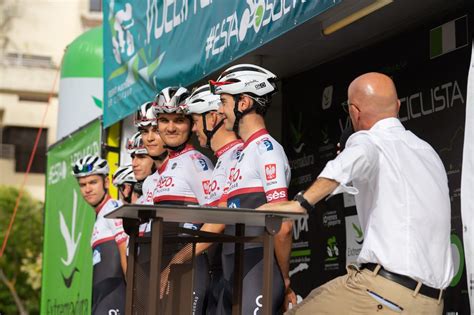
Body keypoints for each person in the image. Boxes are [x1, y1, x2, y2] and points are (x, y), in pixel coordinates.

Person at [259, 72, 454, 314]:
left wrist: (299, 203)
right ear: (398, 106)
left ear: (354, 112)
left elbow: (350, 162)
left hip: (384, 293)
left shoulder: (368, 140)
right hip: (432, 302)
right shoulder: (427, 151)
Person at [209, 63, 295, 314]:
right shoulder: (241, 153)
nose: (219, 110)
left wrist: (285, 279)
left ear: (243, 103)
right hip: (234, 268)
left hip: (258, 267)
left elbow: (283, 224)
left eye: (224, 101)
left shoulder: (267, 150)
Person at [161, 84, 244, 313]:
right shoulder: (221, 159)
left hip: (230, 268)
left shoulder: (210, 160)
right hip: (224, 269)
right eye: (164, 120)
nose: (194, 128)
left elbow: (217, 221)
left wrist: (179, 258)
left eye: (193, 121)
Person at [152, 86, 214, 314]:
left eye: (179, 120)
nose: (170, 127)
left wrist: (176, 263)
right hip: (163, 267)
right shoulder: (165, 168)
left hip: (188, 268)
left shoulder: (198, 162)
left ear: (191, 123)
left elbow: (216, 223)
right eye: (164, 120)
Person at [72, 154, 128, 315]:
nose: (87, 189)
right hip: (101, 299)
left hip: (114, 298)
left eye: (93, 182)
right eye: (82, 184)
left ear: (106, 182)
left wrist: (135, 293)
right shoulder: (101, 215)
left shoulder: (112, 208)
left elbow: (124, 249)